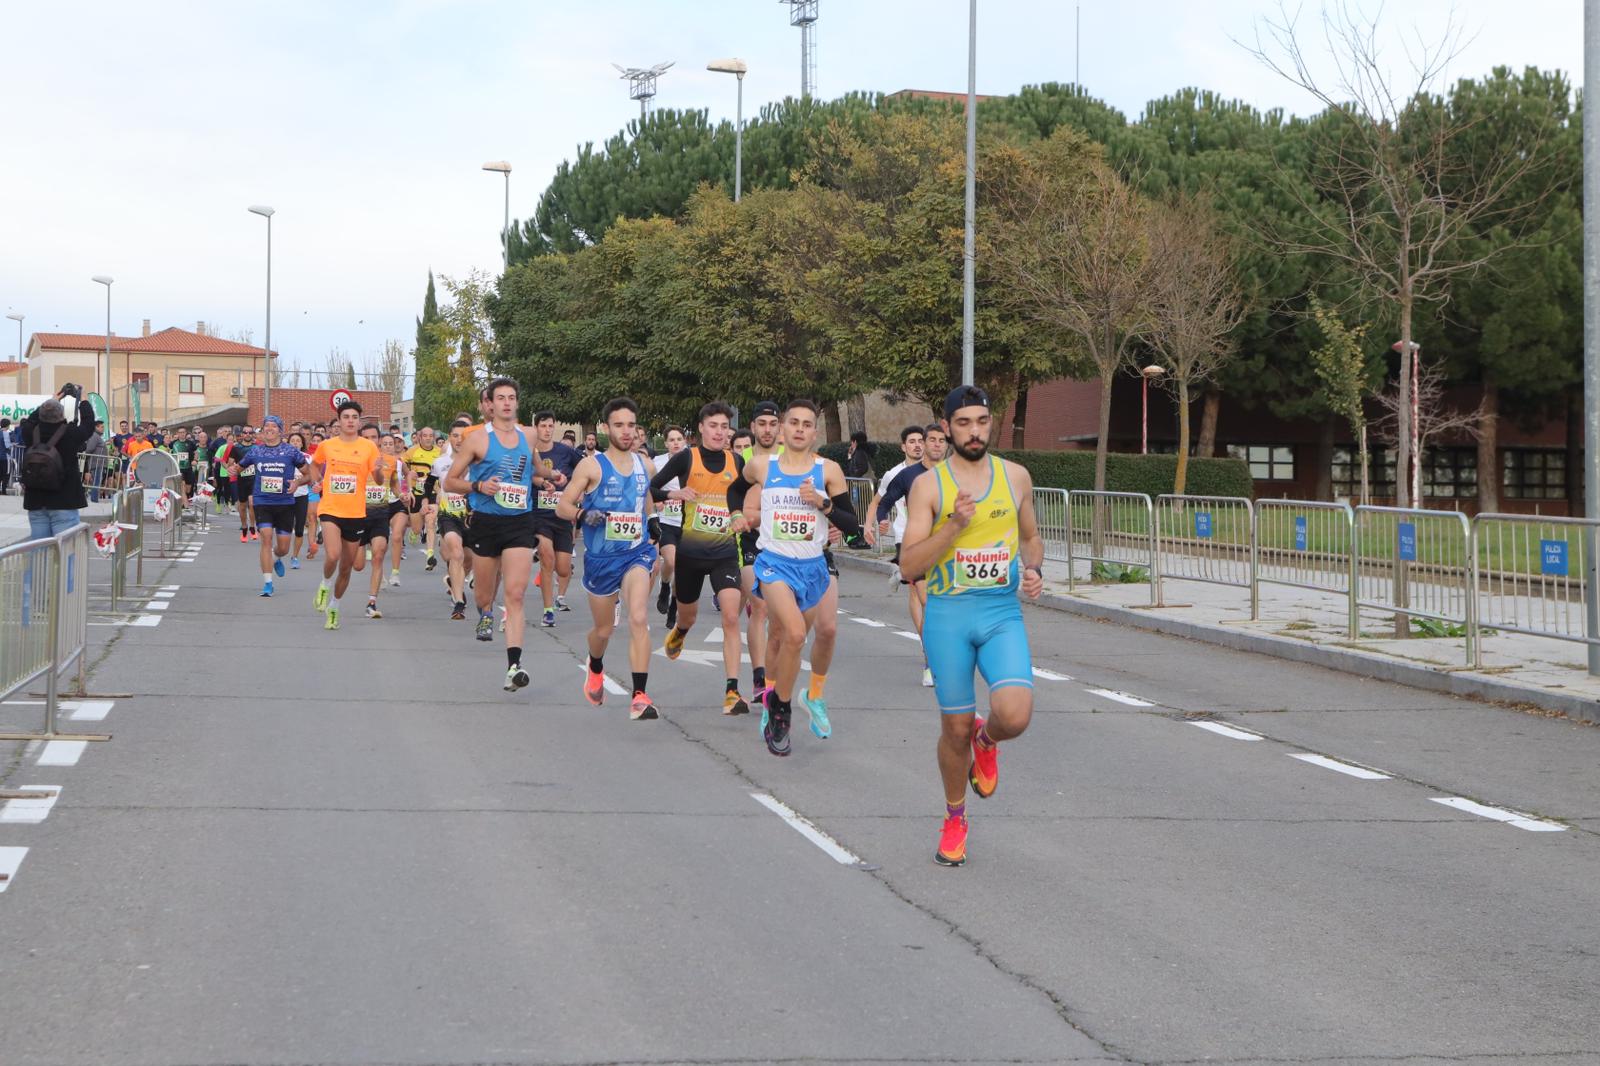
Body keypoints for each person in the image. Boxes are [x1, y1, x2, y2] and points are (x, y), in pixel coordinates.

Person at [899, 386, 1046, 867]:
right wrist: (952, 527)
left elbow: (1030, 536)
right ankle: (955, 817)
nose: (975, 430)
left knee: (1016, 715)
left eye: (982, 421)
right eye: (963, 422)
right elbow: (908, 566)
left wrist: (1035, 569)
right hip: (947, 615)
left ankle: (989, 742)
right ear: (946, 428)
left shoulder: (1016, 477)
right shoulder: (930, 486)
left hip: (1001, 612)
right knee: (955, 727)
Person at [730, 399, 859, 755]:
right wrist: (735, 516)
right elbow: (735, 491)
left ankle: (784, 696)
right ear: (782, 429)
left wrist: (823, 503)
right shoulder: (761, 465)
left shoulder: (827, 470)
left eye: (806, 424)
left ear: (814, 433)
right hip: (773, 563)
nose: (799, 429)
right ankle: (781, 710)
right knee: (796, 634)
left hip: (813, 567)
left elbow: (852, 526)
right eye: (794, 423)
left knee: (787, 637)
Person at [443, 377, 555, 691]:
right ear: (490, 404)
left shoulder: (529, 435)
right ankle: (485, 612)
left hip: (520, 521)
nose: (506, 403)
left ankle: (514, 666)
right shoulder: (477, 440)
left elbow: (531, 468)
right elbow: (450, 482)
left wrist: (550, 476)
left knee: (516, 594)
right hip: (486, 521)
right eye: (500, 398)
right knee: (483, 594)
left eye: (511, 397)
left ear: (517, 402)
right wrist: (478, 486)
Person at [557, 397, 661, 720]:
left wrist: (653, 518)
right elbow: (562, 506)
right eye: (619, 425)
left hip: (637, 552)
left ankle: (640, 695)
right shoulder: (592, 466)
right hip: (601, 559)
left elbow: (646, 498)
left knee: (639, 617)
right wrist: (582, 513)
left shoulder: (646, 465)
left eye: (631, 425)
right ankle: (596, 665)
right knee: (603, 631)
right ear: (605, 428)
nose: (626, 431)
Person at [651, 403, 750, 716]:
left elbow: (750, 497)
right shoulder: (686, 458)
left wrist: (742, 517)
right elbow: (651, 489)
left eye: (724, 426)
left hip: (724, 554)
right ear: (701, 429)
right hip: (690, 554)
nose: (719, 432)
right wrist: (673, 495)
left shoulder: (737, 461)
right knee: (688, 617)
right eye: (713, 426)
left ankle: (732, 691)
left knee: (732, 617)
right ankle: (680, 632)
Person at [867, 423, 947, 687]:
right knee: (926, 600)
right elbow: (886, 501)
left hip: (945, 546)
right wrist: (880, 520)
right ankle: (930, 662)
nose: (936, 444)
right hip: (912, 543)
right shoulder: (907, 475)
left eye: (941, 440)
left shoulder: (954, 475)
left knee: (944, 603)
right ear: (924, 443)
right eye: (931, 440)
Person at [298, 400, 382, 631]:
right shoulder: (328, 445)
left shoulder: (368, 447)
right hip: (331, 508)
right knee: (333, 555)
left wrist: (378, 470)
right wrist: (318, 481)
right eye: (346, 417)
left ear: (359, 421)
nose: (350, 421)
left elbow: (380, 479)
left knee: (347, 567)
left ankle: (334, 606)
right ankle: (325, 584)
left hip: (355, 512)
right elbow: (314, 465)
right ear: (339, 420)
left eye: (354, 417)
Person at [225, 415, 308, 596]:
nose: (269, 429)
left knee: (284, 548)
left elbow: (308, 474)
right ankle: (268, 584)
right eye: (266, 426)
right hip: (262, 501)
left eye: (273, 426)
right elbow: (238, 468)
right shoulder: (256, 452)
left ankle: (277, 558)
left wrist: (297, 483)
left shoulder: (291, 451)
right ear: (262, 431)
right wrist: (232, 470)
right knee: (266, 538)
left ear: (280, 430)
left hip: (285, 503)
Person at [738, 400, 783, 703]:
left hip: (782, 543)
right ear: (753, 427)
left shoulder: (790, 458)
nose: (767, 430)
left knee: (780, 616)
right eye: (761, 424)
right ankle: (759, 678)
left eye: (772, 424)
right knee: (761, 607)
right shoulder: (739, 459)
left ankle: (774, 675)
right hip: (749, 541)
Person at [17, 387, 95, 538]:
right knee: (64, 553)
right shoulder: (70, 434)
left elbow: (29, 420)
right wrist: (84, 401)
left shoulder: (30, 432)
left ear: (41, 415)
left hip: (36, 501)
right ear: (61, 415)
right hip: (64, 500)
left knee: (39, 552)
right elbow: (89, 425)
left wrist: (52, 401)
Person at [530, 411, 582, 627]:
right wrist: (542, 483)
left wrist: (576, 489)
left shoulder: (566, 452)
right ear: (536, 428)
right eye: (543, 426)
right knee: (547, 557)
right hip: (538, 514)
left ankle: (552, 583)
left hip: (562, 515)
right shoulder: (529, 452)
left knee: (562, 569)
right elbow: (527, 475)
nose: (547, 430)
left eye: (551, 426)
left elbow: (586, 470)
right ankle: (548, 610)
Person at [431, 421, 473, 619]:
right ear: (449, 437)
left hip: (473, 517)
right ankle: (459, 602)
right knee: (456, 553)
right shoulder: (440, 463)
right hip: (449, 516)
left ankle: (454, 579)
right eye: (455, 435)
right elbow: (429, 484)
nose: (459, 440)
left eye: (463, 436)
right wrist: (427, 502)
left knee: (468, 559)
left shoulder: (480, 463)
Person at [653, 425, 688, 627]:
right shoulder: (657, 463)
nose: (676, 443)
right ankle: (665, 585)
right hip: (666, 521)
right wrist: (658, 499)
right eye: (671, 439)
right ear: (665, 443)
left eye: (679, 439)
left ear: (684, 441)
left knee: (682, 570)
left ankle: (674, 606)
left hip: (687, 523)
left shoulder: (692, 461)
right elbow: (649, 488)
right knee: (672, 562)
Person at [402, 426, 441, 570]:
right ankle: (414, 533)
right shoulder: (412, 451)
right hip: (416, 494)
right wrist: (410, 474)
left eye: (431, 435)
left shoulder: (439, 452)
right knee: (417, 528)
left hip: (432, 492)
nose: (428, 438)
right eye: (425, 435)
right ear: (420, 437)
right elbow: (403, 467)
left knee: (430, 522)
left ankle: (430, 555)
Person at [286, 431, 312, 566]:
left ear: (302, 444)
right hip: (286, 495)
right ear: (288, 443)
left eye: (298, 441)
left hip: (301, 495)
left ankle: (294, 557)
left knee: (300, 528)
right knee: (286, 527)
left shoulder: (307, 457)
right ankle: (281, 551)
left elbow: (312, 476)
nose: (295, 443)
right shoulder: (283, 456)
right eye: (293, 440)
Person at [83, 420, 108, 502]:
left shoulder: (97, 436)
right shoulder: (94, 436)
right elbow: (89, 448)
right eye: (101, 427)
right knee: (96, 482)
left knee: (97, 481)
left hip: (99, 463)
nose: (103, 429)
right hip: (96, 463)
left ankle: (94, 498)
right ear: (96, 427)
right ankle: (94, 499)